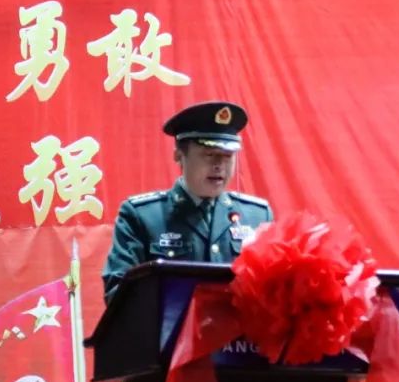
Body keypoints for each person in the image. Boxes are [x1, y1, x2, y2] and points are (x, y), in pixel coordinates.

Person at [102, 101, 275, 303]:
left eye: (227, 156)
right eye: (209, 155)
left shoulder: (257, 216)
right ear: (179, 155)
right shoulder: (142, 216)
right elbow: (118, 296)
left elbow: (274, 292)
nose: (219, 165)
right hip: (171, 323)